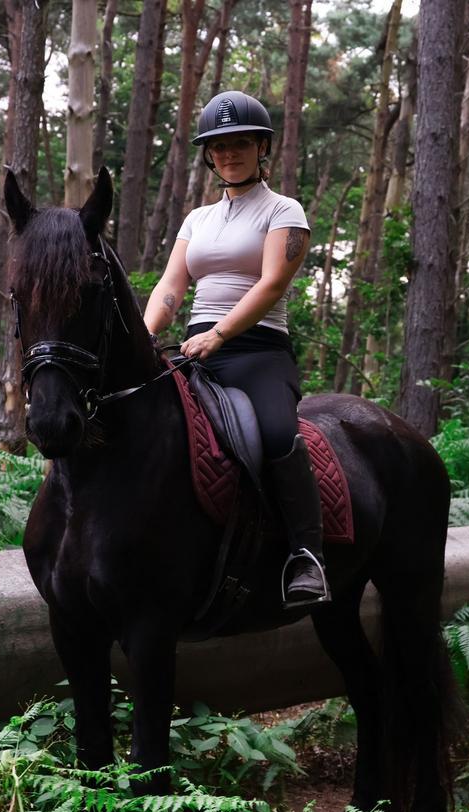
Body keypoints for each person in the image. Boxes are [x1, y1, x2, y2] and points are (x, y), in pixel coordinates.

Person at [143, 90, 330, 608]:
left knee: (274, 432)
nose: (229, 154)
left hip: (257, 349)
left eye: (240, 143)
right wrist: (146, 332)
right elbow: (170, 286)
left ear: (261, 147)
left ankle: (305, 556)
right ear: (209, 154)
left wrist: (221, 333)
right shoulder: (196, 220)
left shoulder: (283, 210)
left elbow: (271, 284)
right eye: (219, 146)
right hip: (196, 347)